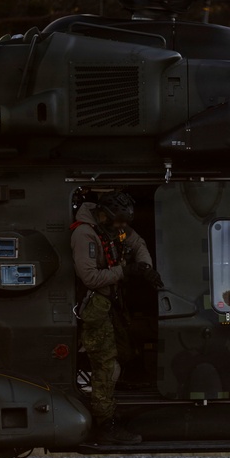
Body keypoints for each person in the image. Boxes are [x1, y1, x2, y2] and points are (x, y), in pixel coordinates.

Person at [71, 190, 163, 444]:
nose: (122, 227)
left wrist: (145, 268)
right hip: (95, 306)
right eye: (118, 222)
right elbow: (90, 277)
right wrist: (126, 271)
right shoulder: (85, 234)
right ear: (103, 215)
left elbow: (137, 243)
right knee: (107, 367)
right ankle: (106, 424)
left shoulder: (113, 228)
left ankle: (110, 406)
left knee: (124, 352)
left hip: (111, 304)